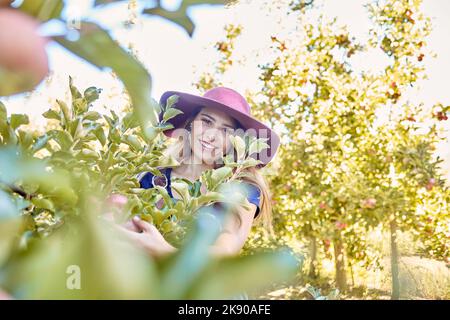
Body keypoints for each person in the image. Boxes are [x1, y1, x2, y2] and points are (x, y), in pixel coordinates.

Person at [116, 87, 280, 258]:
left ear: (235, 142)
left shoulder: (240, 190)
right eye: (206, 121)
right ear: (190, 124)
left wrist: (164, 252)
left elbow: (226, 250)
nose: (211, 135)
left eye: (225, 130)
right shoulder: (152, 176)